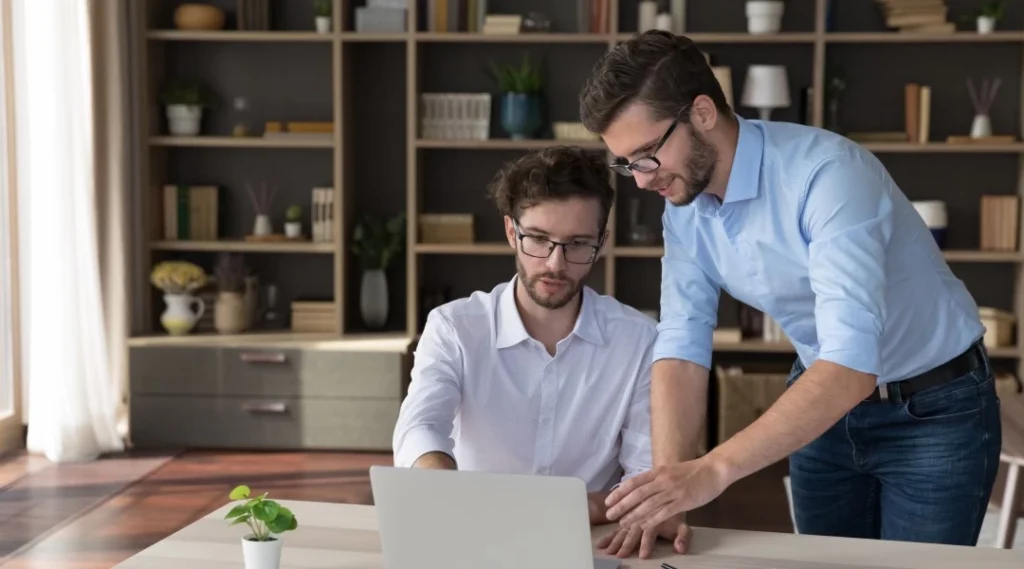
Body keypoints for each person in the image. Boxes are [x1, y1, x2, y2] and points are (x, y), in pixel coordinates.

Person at [578, 30, 1001, 548]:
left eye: (646, 154)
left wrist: (711, 471)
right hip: (821, 407)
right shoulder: (684, 205)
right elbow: (682, 343)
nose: (641, 181)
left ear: (704, 113)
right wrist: (668, 487)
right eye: (626, 164)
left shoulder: (826, 176)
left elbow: (850, 368)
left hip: (934, 408)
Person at [391, 146, 685, 558]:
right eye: (539, 240)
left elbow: (645, 476)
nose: (555, 264)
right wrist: (444, 489)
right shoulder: (454, 327)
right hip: (471, 540)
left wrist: (574, 509)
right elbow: (418, 429)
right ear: (512, 232)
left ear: (601, 241)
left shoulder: (639, 340)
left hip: (587, 545)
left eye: (578, 244)